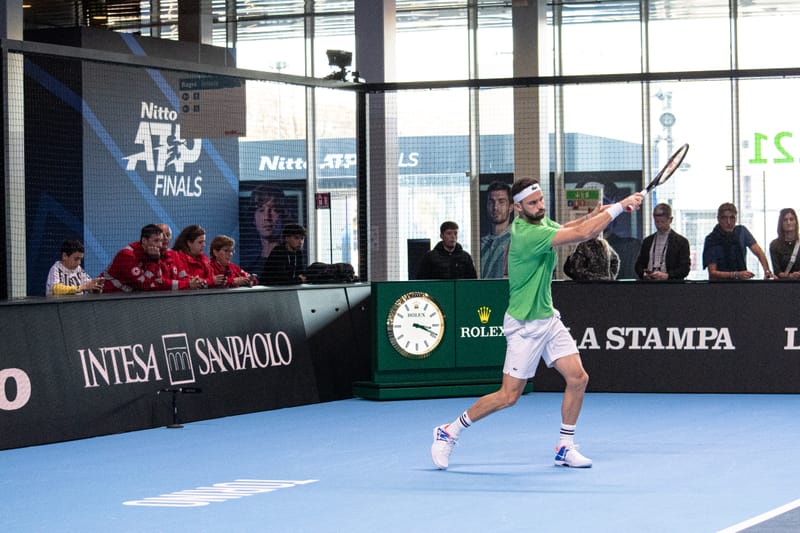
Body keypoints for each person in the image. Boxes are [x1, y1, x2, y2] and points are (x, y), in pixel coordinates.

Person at [430, 177, 643, 470]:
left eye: (541, 199)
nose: (540, 206)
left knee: (578, 378)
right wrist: (620, 206)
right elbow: (582, 233)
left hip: (547, 318)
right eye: (533, 203)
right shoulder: (526, 235)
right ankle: (448, 431)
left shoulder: (541, 224)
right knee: (508, 396)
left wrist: (605, 210)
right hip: (524, 325)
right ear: (517, 208)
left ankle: (564, 447)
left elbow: (571, 228)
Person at [102, 224, 204, 292]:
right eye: (156, 241)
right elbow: (145, 285)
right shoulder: (127, 256)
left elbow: (157, 281)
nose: (160, 245)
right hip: (106, 297)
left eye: (160, 240)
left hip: (124, 298)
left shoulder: (153, 255)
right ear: (144, 241)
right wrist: (154, 262)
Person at [702, 202, 775, 281]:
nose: (728, 222)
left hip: (741, 283)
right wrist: (735, 274)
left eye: (732, 218)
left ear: (736, 218)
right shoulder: (711, 239)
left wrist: (767, 271)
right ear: (718, 219)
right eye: (724, 218)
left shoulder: (741, 232)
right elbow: (712, 272)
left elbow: (759, 252)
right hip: (719, 285)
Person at [634, 203, 691, 280]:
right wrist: (643, 273)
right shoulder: (647, 241)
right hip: (649, 284)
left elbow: (684, 269)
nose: (659, 225)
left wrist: (667, 276)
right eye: (657, 222)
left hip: (670, 286)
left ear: (670, 220)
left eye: (662, 222)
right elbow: (638, 265)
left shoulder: (681, 242)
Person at [244, 184, 286, 275]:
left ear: (282, 215)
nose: (267, 217)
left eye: (274, 210)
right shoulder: (250, 270)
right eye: (261, 210)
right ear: (253, 219)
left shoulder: (290, 262)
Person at [480, 181, 513, 279]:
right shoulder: (481, 244)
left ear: (510, 207)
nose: (495, 207)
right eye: (491, 202)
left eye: (501, 202)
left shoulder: (518, 239)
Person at [769, 207, 800, 280]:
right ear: (781, 223)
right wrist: (790, 276)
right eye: (785, 220)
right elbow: (777, 271)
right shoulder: (774, 245)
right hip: (783, 285)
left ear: (796, 222)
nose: (788, 222)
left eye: (791, 219)